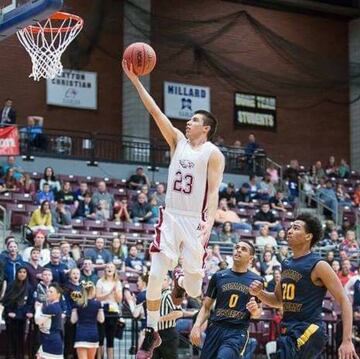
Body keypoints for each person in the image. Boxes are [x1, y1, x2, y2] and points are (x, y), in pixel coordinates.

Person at [123, 59, 225, 359]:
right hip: (171, 216)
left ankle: (181, 281)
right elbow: (155, 111)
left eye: (193, 120)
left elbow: (214, 189)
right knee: (155, 275)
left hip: (195, 221)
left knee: (194, 288)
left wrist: (211, 222)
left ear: (205, 128)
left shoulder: (213, 153)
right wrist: (135, 80)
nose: (188, 122)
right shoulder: (177, 141)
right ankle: (151, 331)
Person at [249, 213, 358, 359]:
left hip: (308, 330)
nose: (290, 231)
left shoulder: (319, 265)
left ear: (308, 236)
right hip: (289, 331)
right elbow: (277, 300)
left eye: (296, 228)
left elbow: (345, 301)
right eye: (290, 227)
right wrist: (259, 293)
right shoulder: (286, 264)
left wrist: (347, 340)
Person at [190, 241, 262, 358]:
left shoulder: (257, 280)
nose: (238, 250)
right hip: (215, 329)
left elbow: (258, 314)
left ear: (251, 258)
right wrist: (197, 326)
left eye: (243, 249)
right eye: (237, 247)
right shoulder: (219, 276)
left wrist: (255, 311)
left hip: (236, 332)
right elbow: (206, 307)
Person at [3, 266, 34, 359]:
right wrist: (9, 312)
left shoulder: (29, 287)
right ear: (17, 273)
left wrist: (28, 312)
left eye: (24, 272)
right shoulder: (11, 285)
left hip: (22, 317)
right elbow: (6, 301)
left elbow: (30, 302)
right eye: (20, 272)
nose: (22, 274)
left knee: (20, 339)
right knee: (10, 339)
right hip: (11, 317)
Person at [71, 281, 105, 359]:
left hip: (81, 335)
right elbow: (101, 320)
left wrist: (74, 309)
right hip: (93, 334)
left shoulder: (78, 303)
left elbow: (73, 320)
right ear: (93, 291)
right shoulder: (97, 304)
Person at [96, 262, 122, 359]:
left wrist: (115, 292)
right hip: (102, 310)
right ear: (105, 270)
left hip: (113, 310)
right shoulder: (100, 281)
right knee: (100, 338)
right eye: (107, 267)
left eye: (111, 267)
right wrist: (109, 293)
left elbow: (119, 299)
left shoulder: (118, 283)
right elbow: (98, 297)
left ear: (115, 270)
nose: (109, 268)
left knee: (110, 339)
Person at [35, 283, 64, 359]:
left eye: (51, 292)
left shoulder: (51, 307)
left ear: (58, 295)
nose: (48, 293)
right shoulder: (56, 306)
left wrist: (37, 308)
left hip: (50, 341)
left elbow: (37, 320)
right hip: (51, 340)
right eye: (48, 291)